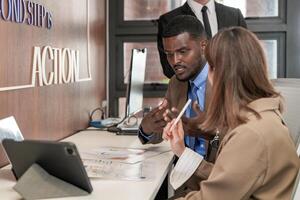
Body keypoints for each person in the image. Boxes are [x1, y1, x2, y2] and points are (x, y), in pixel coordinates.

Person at [163, 27, 300, 200]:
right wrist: (183, 151)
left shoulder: (251, 134)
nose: (208, 77)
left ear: (224, 74)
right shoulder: (261, 118)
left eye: (210, 68)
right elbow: (229, 179)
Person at [139, 15, 215, 160]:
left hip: (216, 175)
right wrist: (146, 127)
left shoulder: (226, 80)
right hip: (185, 173)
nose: (174, 61)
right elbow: (160, 133)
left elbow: (242, 137)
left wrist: (207, 132)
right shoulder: (176, 83)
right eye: (169, 54)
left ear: (203, 47)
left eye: (182, 52)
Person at [157, 0, 247, 78]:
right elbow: (168, 69)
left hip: (233, 91)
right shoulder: (168, 20)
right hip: (192, 92)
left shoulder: (235, 15)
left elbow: (246, 58)